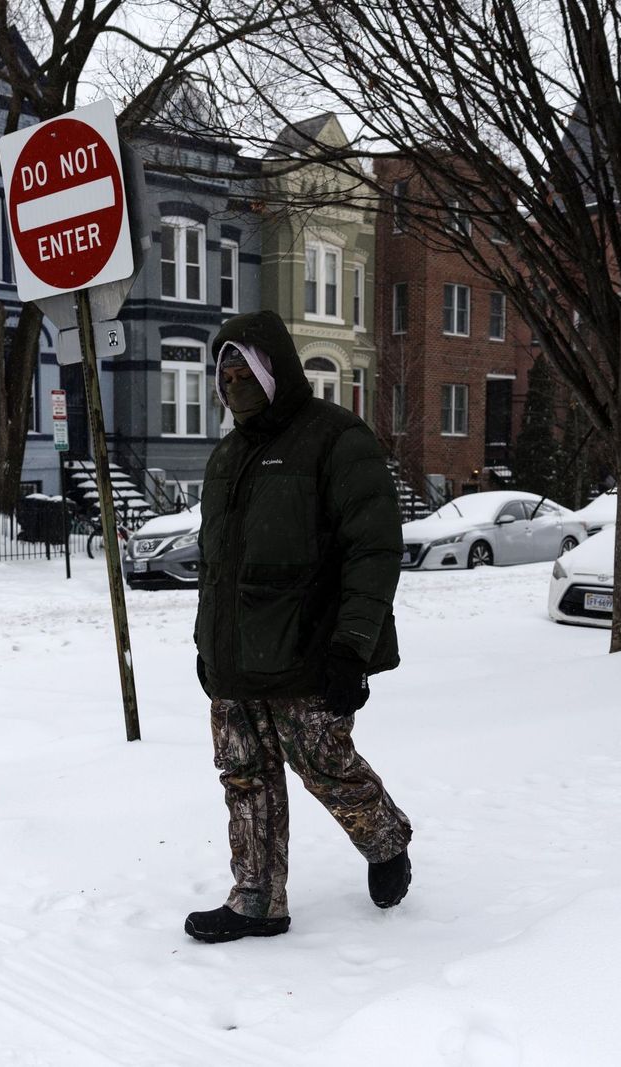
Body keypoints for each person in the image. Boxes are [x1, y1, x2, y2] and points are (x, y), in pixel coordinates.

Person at [186, 309, 412, 944]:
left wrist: (352, 648)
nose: (234, 383)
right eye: (225, 374)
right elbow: (216, 564)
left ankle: (385, 838)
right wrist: (207, 646)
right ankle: (256, 900)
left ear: (275, 371)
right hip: (235, 656)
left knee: (325, 765)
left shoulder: (336, 439)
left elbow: (373, 551)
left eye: (246, 371)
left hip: (309, 649)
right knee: (243, 776)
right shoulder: (227, 456)